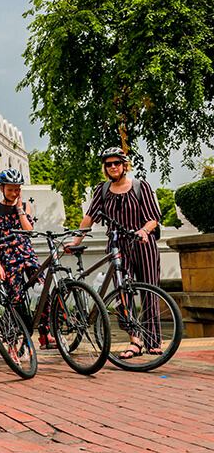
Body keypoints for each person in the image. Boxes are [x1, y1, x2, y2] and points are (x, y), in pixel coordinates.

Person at [72, 147, 162, 358]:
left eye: (116, 163)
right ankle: (135, 340)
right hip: (117, 247)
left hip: (142, 244)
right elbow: (90, 217)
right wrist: (76, 241)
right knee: (123, 293)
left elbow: (153, 218)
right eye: (108, 164)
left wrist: (144, 230)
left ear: (124, 165)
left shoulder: (141, 187)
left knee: (149, 292)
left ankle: (153, 340)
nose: (113, 166)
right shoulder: (102, 190)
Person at [0, 169, 55, 349]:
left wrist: (19, 209)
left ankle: (44, 333)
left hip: (27, 254)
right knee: (15, 299)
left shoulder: (25, 207)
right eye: (10, 189)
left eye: (17, 189)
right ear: (2, 188)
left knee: (43, 292)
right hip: (8, 258)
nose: (14, 193)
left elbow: (29, 231)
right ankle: (12, 339)